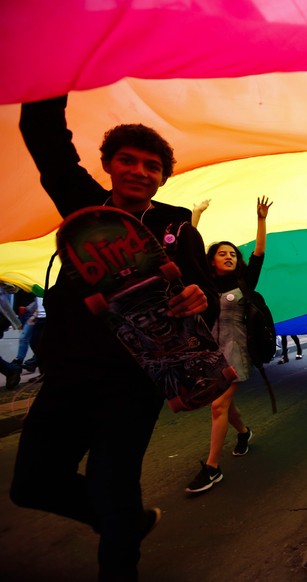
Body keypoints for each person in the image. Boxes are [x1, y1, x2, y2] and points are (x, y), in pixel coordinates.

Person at [11, 95, 217, 580]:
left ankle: (121, 531)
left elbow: (202, 285)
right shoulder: (84, 207)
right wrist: (55, 73)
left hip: (136, 381)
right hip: (69, 373)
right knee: (32, 485)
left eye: (152, 166)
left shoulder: (178, 227)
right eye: (127, 160)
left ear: (164, 176)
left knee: (113, 485)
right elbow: (46, 140)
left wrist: (196, 295)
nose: (139, 171)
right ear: (107, 165)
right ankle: (127, 522)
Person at [185, 197, 271, 494]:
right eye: (223, 253)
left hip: (236, 349)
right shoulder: (205, 282)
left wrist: (261, 219)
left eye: (233, 253)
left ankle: (212, 467)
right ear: (212, 260)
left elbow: (259, 253)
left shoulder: (245, 282)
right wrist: (194, 215)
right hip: (209, 352)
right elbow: (187, 254)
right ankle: (244, 433)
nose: (229, 256)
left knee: (218, 404)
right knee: (226, 404)